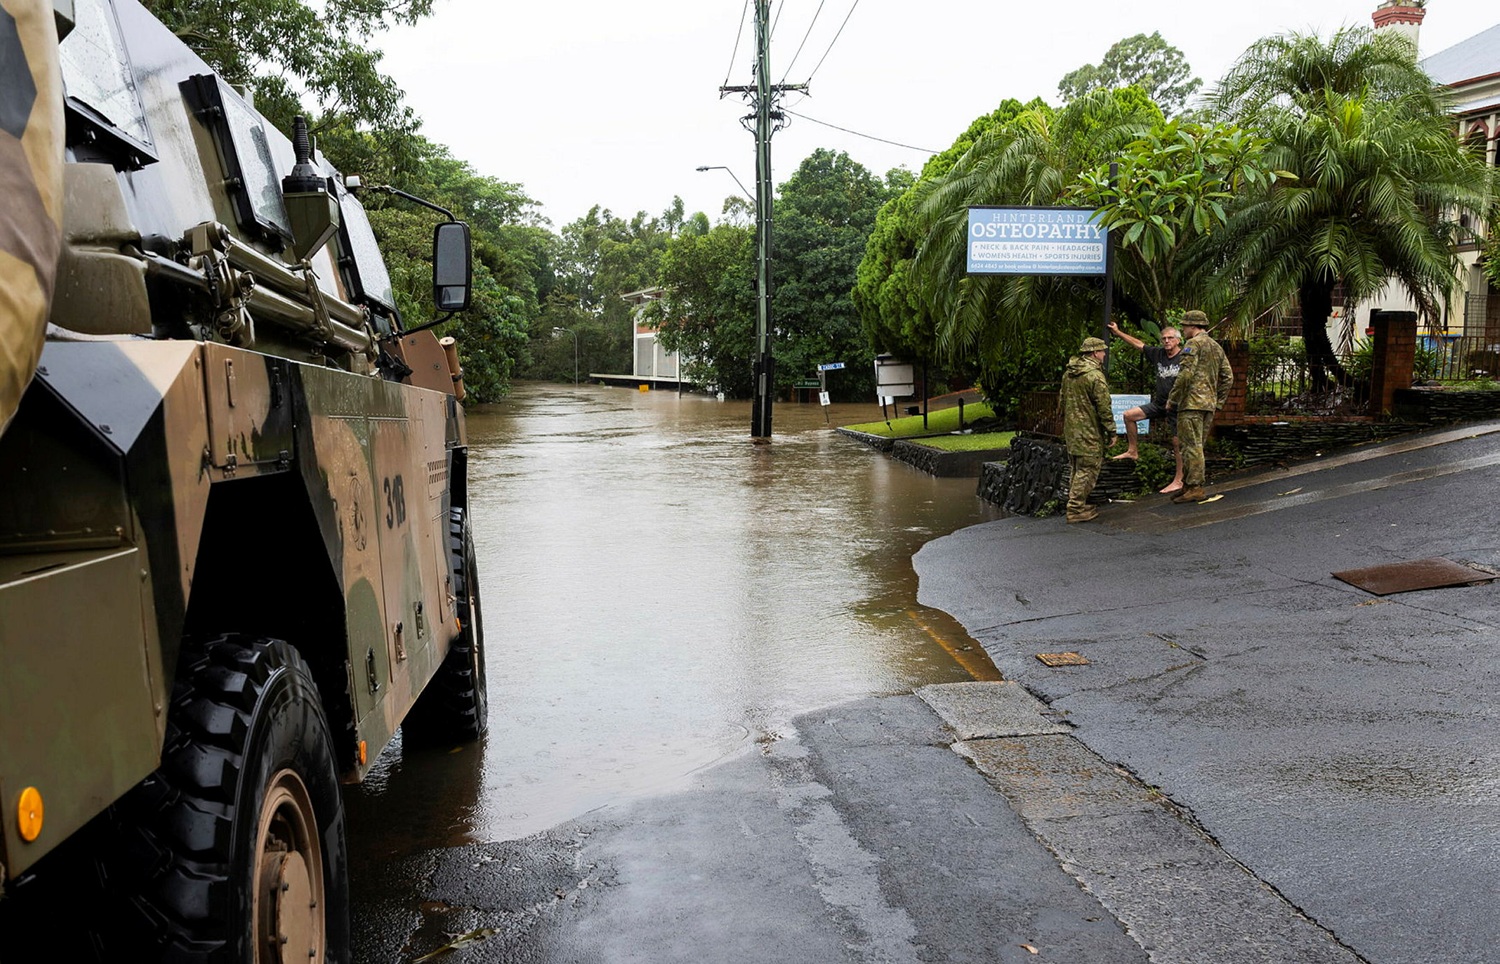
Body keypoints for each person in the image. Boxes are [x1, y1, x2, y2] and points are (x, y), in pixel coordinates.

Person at [1106, 320, 1186, 494]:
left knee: (1177, 442)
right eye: (1164, 338)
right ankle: (1132, 450)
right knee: (1129, 415)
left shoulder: (1185, 357)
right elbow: (1138, 344)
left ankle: (1179, 480)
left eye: (1170, 338)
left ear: (1178, 340)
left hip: (1176, 406)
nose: (1166, 341)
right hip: (1159, 404)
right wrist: (1118, 332)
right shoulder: (1158, 354)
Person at [1165, 310, 1233, 504]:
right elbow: (1228, 377)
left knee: (1191, 447)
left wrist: (1173, 398)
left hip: (1191, 404)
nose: (1183, 329)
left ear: (1193, 326)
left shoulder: (1192, 344)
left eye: (1185, 326)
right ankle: (1188, 484)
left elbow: (1185, 374)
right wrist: (1218, 401)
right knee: (1197, 446)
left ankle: (1195, 487)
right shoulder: (1216, 346)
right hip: (1208, 405)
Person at [1061, 336, 1116, 523]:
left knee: (1077, 467)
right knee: (1088, 468)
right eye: (1102, 351)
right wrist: (1111, 430)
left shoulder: (1069, 374)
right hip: (1089, 430)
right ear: (1094, 353)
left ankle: (1078, 503)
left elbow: (1061, 400)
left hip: (1071, 429)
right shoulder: (1094, 376)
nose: (1104, 354)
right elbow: (1104, 406)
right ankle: (1075, 509)